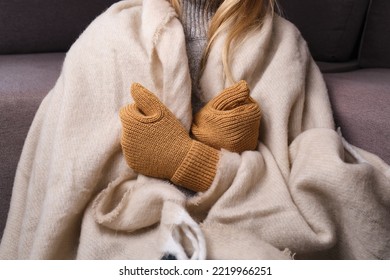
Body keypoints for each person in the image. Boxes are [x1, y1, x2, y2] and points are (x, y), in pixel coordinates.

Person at [1, 0, 389, 260]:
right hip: (135, 218)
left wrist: (198, 161)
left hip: (244, 217)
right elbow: (72, 184)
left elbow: (302, 188)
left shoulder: (281, 44)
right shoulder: (110, 36)